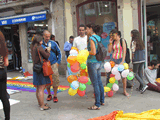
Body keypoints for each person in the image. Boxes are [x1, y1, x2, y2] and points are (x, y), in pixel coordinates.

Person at [86, 23, 104, 110]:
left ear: (90, 29)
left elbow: (93, 52)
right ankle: (102, 100)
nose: (86, 31)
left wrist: (86, 51)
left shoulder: (92, 38)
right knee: (99, 81)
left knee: (95, 83)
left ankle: (97, 104)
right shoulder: (98, 37)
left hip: (92, 62)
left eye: (87, 29)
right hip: (99, 62)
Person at [31, 34, 51, 111]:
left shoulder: (33, 47)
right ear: (39, 41)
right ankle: (42, 106)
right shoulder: (39, 47)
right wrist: (48, 51)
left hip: (36, 69)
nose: (42, 41)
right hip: (41, 69)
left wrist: (44, 51)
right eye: (41, 40)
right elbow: (46, 56)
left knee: (38, 88)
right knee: (41, 88)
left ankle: (40, 103)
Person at [108, 29, 129, 97]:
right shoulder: (113, 41)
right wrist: (110, 43)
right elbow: (109, 51)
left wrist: (123, 61)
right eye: (111, 35)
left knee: (123, 76)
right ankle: (114, 89)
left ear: (117, 34)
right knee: (113, 74)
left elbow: (124, 51)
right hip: (114, 60)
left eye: (113, 35)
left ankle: (124, 90)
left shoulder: (122, 40)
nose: (112, 37)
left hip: (120, 59)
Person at [42, 30, 61, 103]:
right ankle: (49, 94)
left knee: (55, 79)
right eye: (46, 36)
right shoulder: (41, 44)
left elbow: (59, 53)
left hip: (53, 64)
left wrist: (58, 62)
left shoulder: (53, 43)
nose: (47, 38)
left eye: (49, 36)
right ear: (43, 36)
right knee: (47, 80)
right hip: (45, 65)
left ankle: (55, 95)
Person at [0, 31, 10, 120]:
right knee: (4, 96)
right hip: (3, 72)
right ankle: (7, 118)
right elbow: (6, 63)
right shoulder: (3, 48)